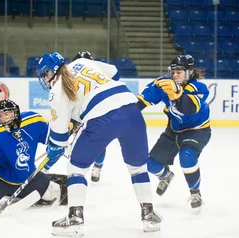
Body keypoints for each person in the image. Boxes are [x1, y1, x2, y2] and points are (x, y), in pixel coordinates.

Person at [36, 52, 161, 236]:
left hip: (101, 119)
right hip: (131, 110)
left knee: (76, 168)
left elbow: (59, 138)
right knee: (138, 168)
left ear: (51, 70)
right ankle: (149, 216)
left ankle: (75, 219)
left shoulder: (57, 90)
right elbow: (115, 73)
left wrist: (54, 149)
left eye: (44, 74)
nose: (45, 80)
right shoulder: (82, 62)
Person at [136, 54, 211, 212]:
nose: (175, 75)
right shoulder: (164, 83)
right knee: (151, 164)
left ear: (190, 72)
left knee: (187, 157)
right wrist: (128, 114)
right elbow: (142, 101)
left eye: (180, 72)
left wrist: (177, 95)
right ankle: (165, 176)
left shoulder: (199, 88)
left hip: (197, 131)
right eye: (173, 71)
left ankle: (195, 192)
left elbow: (189, 109)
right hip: (174, 131)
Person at [71, 51, 120, 183]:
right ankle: (80, 166)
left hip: (96, 111)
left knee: (98, 140)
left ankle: (96, 166)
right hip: (81, 111)